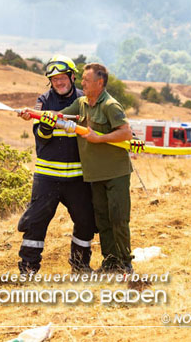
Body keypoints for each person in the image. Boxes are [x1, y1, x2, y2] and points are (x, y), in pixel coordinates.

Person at [16, 55, 97, 274]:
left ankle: (80, 266)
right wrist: (47, 126)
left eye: (62, 77)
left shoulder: (84, 100)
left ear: (72, 77)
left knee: (86, 221)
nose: (58, 82)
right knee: (36, 223)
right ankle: (28, 269)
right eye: (54, 79)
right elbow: (41, 137)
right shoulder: (43, 101)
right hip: (48, 178)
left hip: (77, 178)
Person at [61, 63, 136, 273]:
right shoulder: (81, 103)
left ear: (99, 82)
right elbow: (60, 116)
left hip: (116, 173)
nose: (81, 82)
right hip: (95, 174)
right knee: (102, 219)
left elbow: (126, 133)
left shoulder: (110, 105)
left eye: (86, 79)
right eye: (82, 79)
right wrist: (35, 113)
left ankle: (125, 263)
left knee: (118, 218)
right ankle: (110, 262)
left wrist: (99, 138)